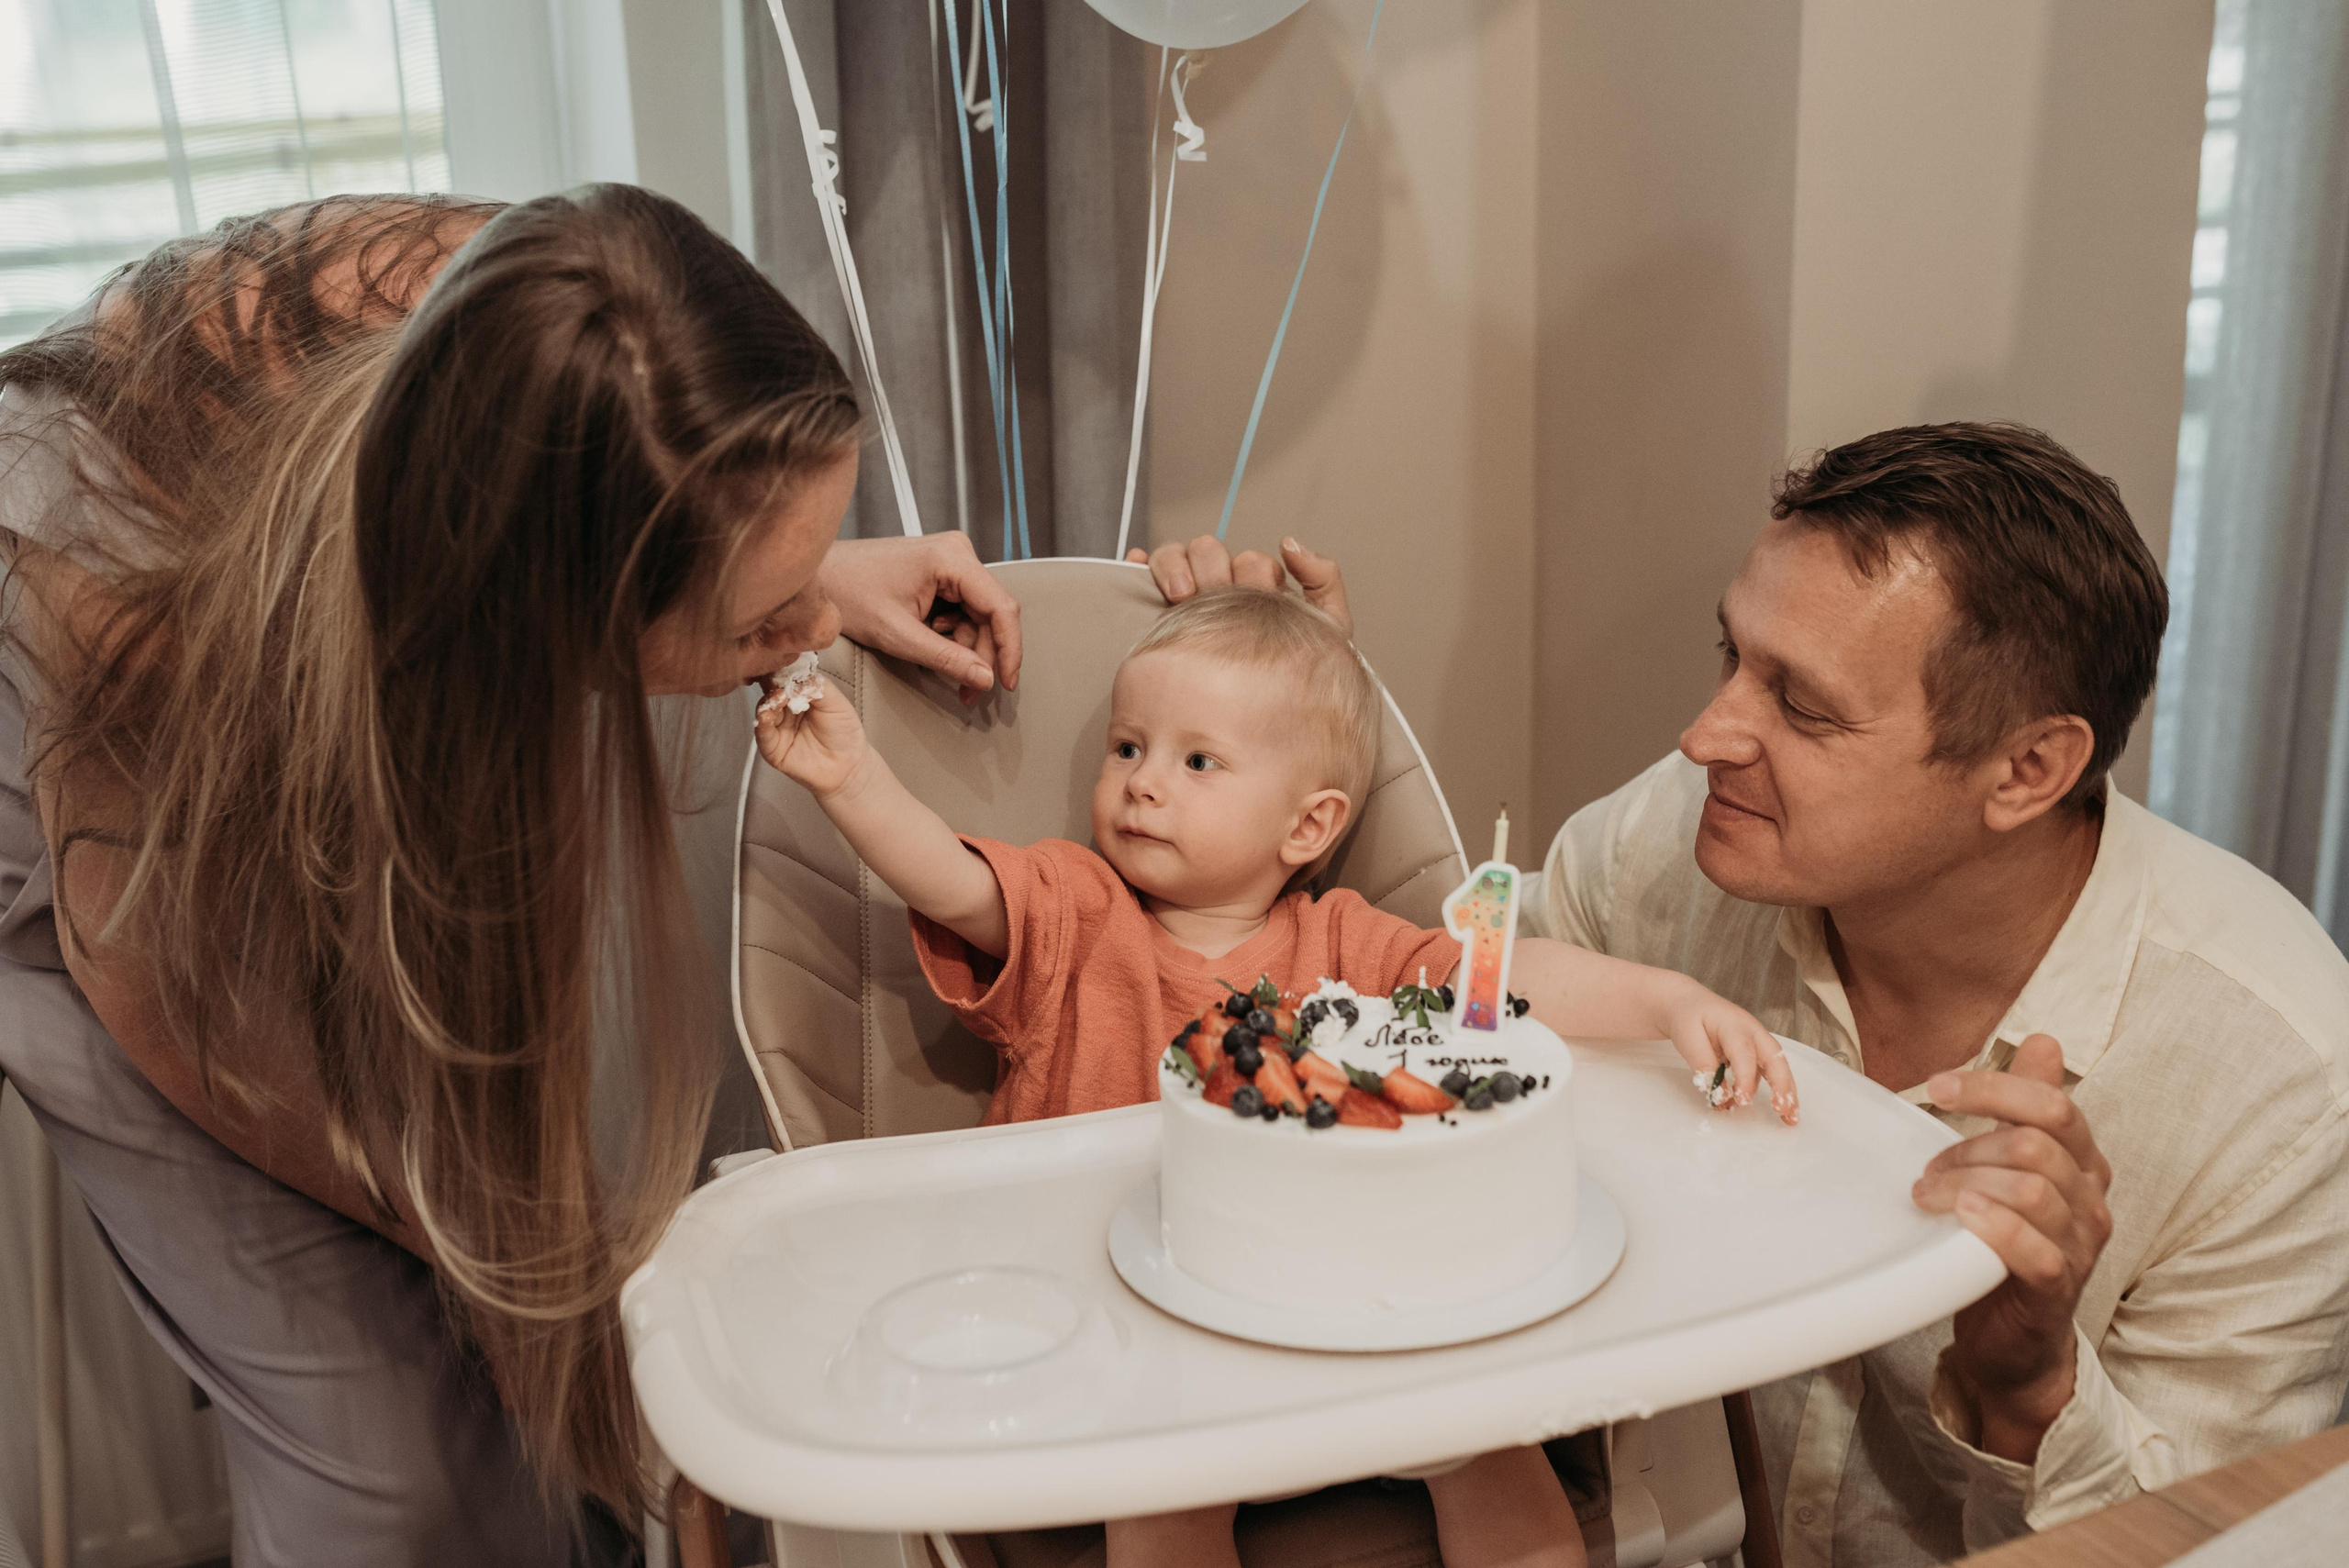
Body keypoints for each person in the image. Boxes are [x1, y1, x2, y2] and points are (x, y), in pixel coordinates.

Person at [0, 187, 1024, 1563]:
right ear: (560, 613)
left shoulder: (574, 321)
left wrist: (800, 562)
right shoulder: (166, 655)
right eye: (765, 621)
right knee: (391, 1471)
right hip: (95, 833)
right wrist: (492, 1266)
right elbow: (192, 1023)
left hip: (299, 664)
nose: (813, 639)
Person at [1134, 423, 2349, 1562]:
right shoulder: (1678, 838)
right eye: (1733, 658)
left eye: (1802, 706)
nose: (1707, 733)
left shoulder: (2282, 1084)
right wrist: (1280, 723)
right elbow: (1455, 1034)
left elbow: (2225, 1539)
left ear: (2028, 768)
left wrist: (2032, 1388)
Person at [755, 583, 1798, 1568]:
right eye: (1127, 745)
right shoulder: (1075, 914)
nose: (1143, 779)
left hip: (1333, 1301)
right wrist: (851, 777)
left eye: (1198, 761)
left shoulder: (1345, 943)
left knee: (1488, 1434)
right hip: (1140, 1325)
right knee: (1163, 1492)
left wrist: (1667, 999)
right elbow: (950, 876)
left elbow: (1497, 978)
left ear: (1308, 824)